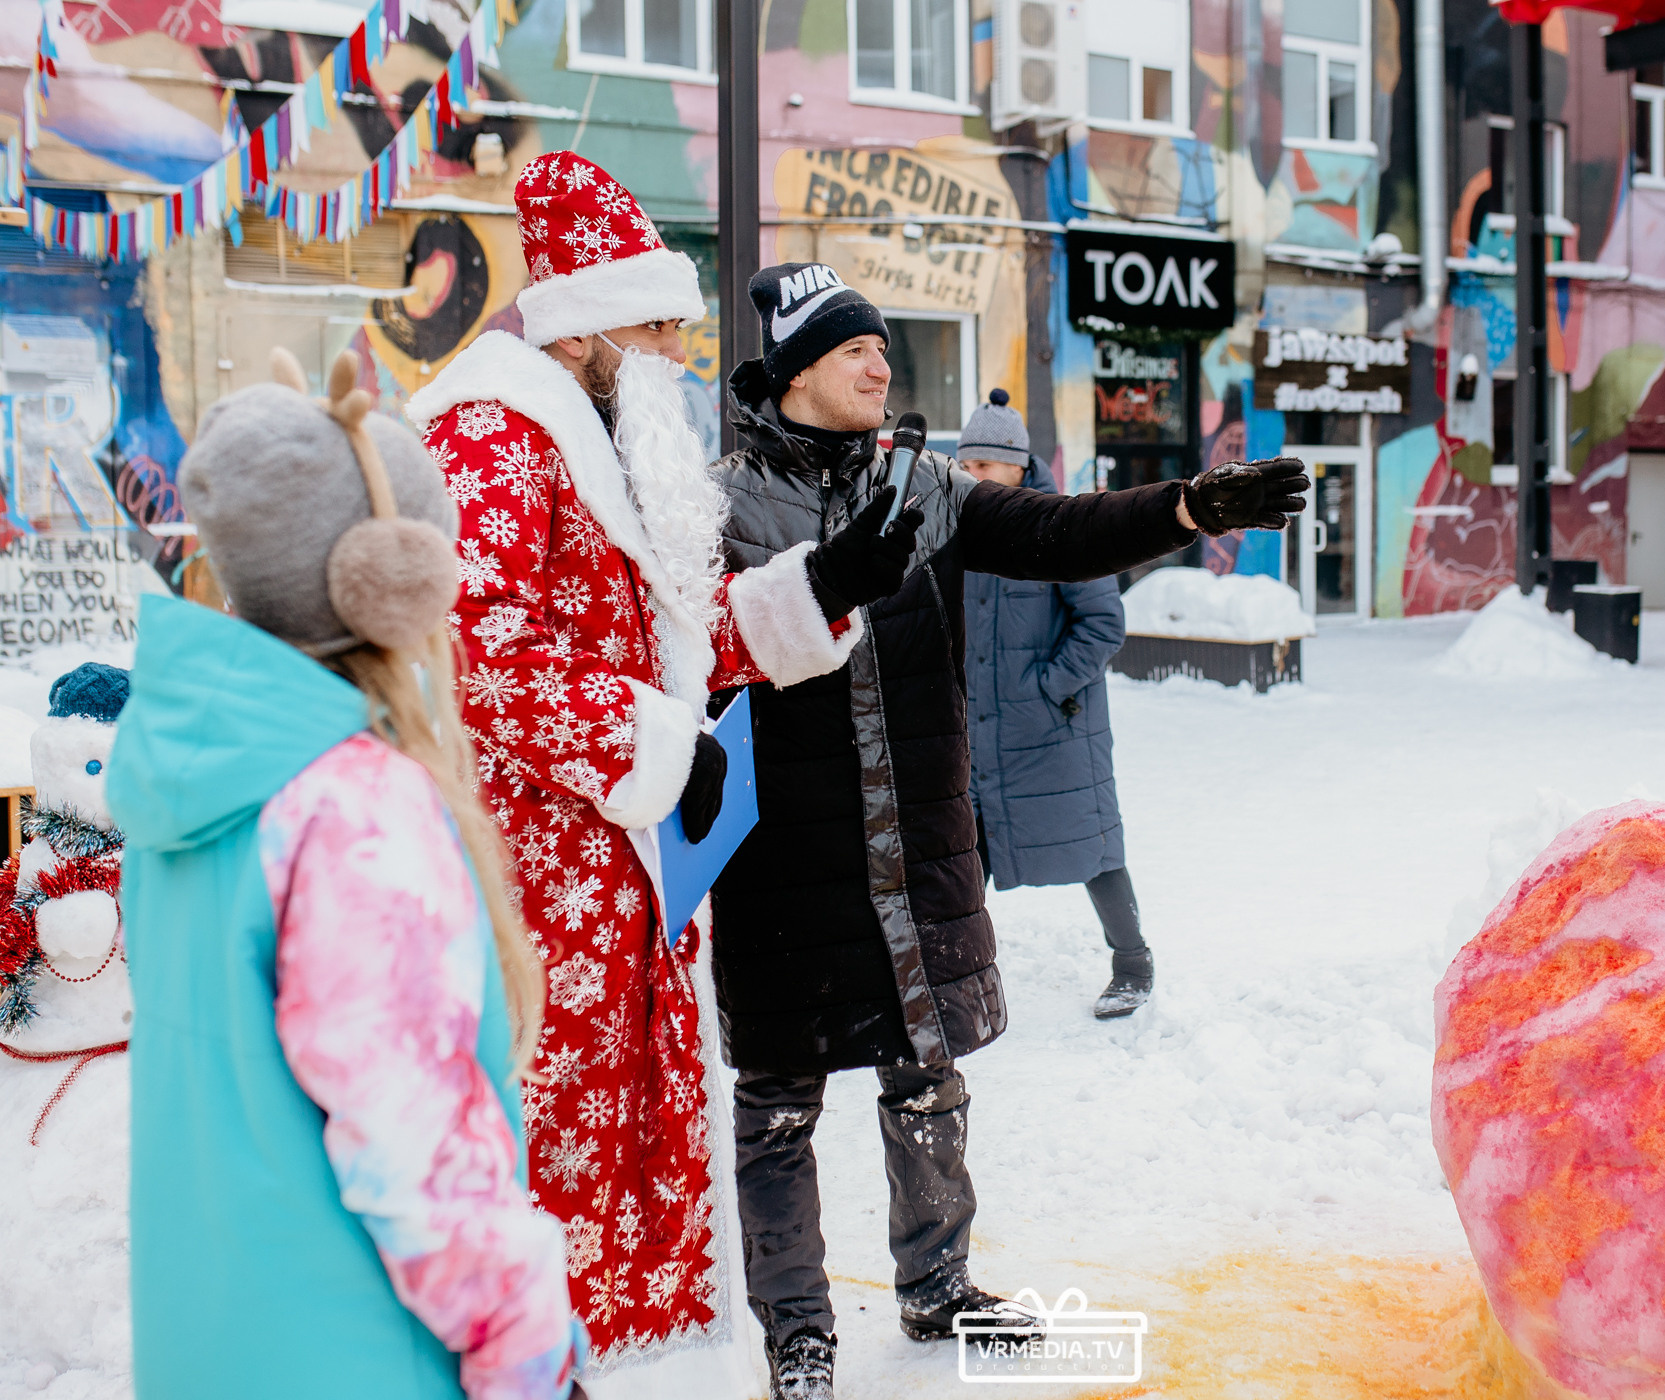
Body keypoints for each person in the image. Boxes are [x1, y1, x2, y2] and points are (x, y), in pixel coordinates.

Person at [706, 261, 1307, 1400]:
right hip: (785, 855)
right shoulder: (720, 502)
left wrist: (1186, 507)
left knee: (926, 1075)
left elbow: (1053, 532)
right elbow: (697, 652)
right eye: (853, 349)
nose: (882, 362)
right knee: (777, 1102)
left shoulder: (922, 485)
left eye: (885, 344)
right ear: (791, 373)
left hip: (911, 842)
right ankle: (797, 1329)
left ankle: (936, 1290)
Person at [405, 153, 859, 1385]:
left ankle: (555, 1364)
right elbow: (477, 647)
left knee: (583, 1193)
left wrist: (816, 592)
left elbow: (654, 634)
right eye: (658, 323)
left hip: (605, 888)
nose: (674, 347)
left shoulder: (587, 440)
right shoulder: (494, 434)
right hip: (531, 894)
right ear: (592, 318)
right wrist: (662, 752)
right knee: (521, 1180)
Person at [108, 350, 588, 1400]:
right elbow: (416, 1149)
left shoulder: (195, 775)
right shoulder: (351, 803)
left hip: (216, 1339)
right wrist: (533, 1352)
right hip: (361, 1349)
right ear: (394, 579)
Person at [956, 389, 1150, 1019]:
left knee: (1094, 847)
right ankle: (955, 974)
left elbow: (1102, 625)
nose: (972, 475)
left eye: (985, 466)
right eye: (966, 463)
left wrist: (1046, 688)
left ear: (1017, 465)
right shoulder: (954, 526)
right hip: (978, 727)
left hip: (1053, 726)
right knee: (966, 850)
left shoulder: (1062, 523)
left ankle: (1132, 963)